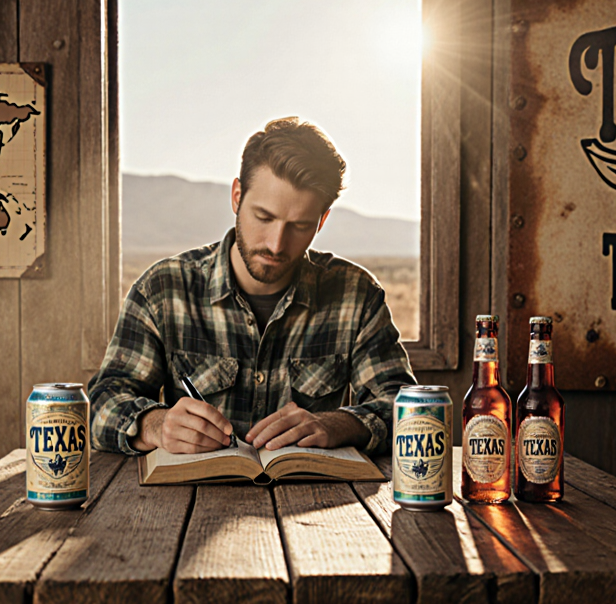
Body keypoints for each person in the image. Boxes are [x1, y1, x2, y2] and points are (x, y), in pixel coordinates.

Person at [88, 117, 416, 456]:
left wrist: (337, 424)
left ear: (322, 221)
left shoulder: (356, 296)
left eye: (300, 225)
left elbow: (407, 411)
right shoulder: (162, 290)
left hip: (315, 504)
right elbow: (102, 404)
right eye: (264, 217)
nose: (276, 244)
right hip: (190, 503)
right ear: (236, 196)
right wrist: (155, 425)